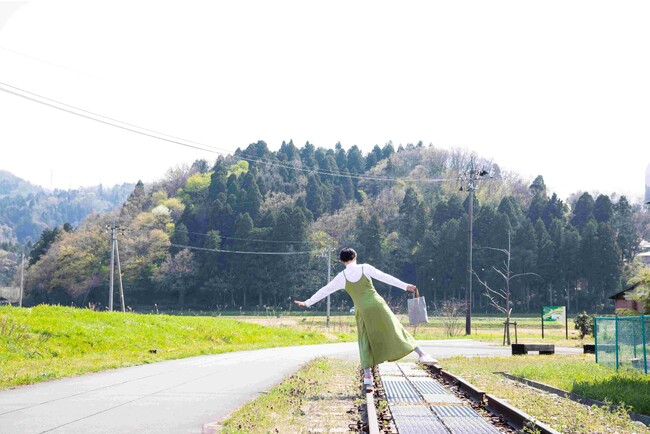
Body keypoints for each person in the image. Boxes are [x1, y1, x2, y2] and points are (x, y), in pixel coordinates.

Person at [294, 248, 438, 391]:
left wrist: (307, 302)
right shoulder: (365, 268)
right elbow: (385, 277)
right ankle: (422, 354)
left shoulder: (341, 277)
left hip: (362, 310)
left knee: (365, 339)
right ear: (355, 256)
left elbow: (325, 290)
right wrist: (405, 286)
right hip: (377, 304)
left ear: (342, 261)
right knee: (396, 328)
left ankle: (368, 377)